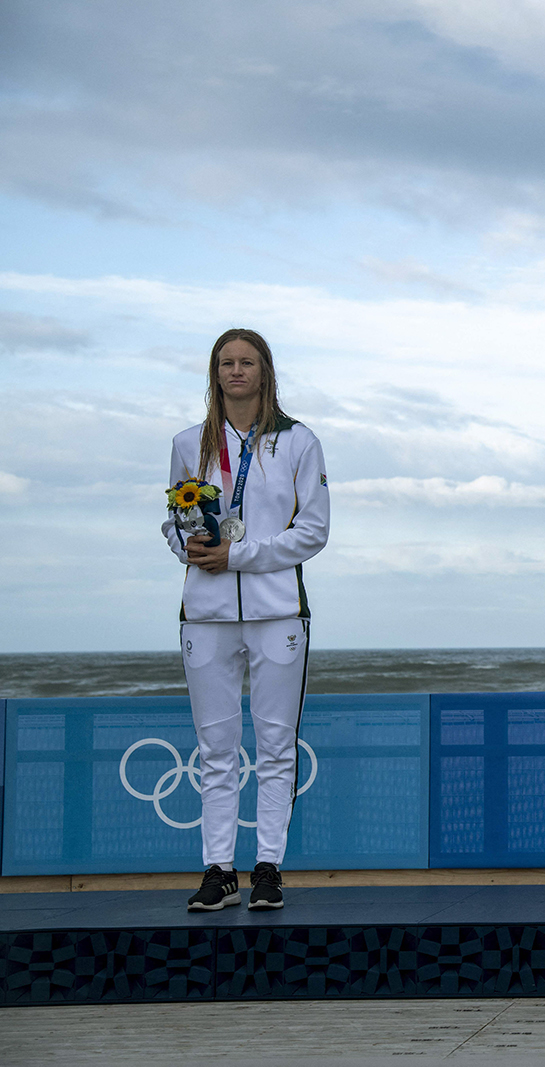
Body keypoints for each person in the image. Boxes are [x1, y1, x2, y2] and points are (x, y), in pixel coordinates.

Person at [161, 328, 330, 910]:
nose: (236, 371)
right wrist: (191, 548)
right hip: (205, 613)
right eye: (226, 362)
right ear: (214, 372)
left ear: (265, 371)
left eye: (247, 362)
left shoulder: (299, 442)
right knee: (216, 748)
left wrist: (242, 555)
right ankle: (218, 868)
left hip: (277, 610)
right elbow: (173, 523)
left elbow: (313, 532)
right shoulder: (190, 442)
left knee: (277, 743)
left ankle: (269, 867)